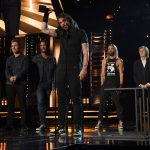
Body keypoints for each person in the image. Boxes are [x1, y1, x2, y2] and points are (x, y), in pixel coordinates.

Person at [41, 10, 89, 136]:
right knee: (62, 100)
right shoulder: (61, 33)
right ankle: (62, 127)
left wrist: (84, 68)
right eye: (60, 22)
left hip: (75, 69)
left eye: (64, 21)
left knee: (76, 99)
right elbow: (44, 30)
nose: (62, 24)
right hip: (61, 70)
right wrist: (45, 15)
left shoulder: (80, 33)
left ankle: (78, 127)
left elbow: (85, 52)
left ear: (69, 20)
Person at [95, 44, 124, 130]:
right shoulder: (104, 61)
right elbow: (102, 74)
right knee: (102, 105)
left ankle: (120, 122)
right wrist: (102, 85)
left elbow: (121, 74)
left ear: (115, 50)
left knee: (118, 104)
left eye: (112, 49)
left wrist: (120, 86)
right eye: (109, 49)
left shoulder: (119, 60)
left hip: (115, 85)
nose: (110, 50)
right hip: (105, 85)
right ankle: (99, 121)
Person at [5, 39, 28, 132]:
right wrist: (10, 77)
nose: (14, 47)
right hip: (9, 84)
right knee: (10, 105)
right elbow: (6, 71)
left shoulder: (24, 58)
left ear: (19, 46)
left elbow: (24, 70)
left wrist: (16, 77)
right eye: (12, 46)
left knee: (22, 104)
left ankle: (23, 125)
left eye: (15, 45)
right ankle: (9, 124)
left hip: (20, 84)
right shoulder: (9, 59)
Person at [32, 39, 56, 131]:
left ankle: (43, 121)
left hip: (48, 84)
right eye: (41, 45)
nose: (43, 46)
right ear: (39, 47)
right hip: (39, 85)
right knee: (41, 102)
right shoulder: (35, 59)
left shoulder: (52, 59)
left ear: (47, 46)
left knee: (45, 104)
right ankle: (42, 123)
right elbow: (32, 73)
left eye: (44, 45)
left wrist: (54, 86)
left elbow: (54, 73)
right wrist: (33, 85)